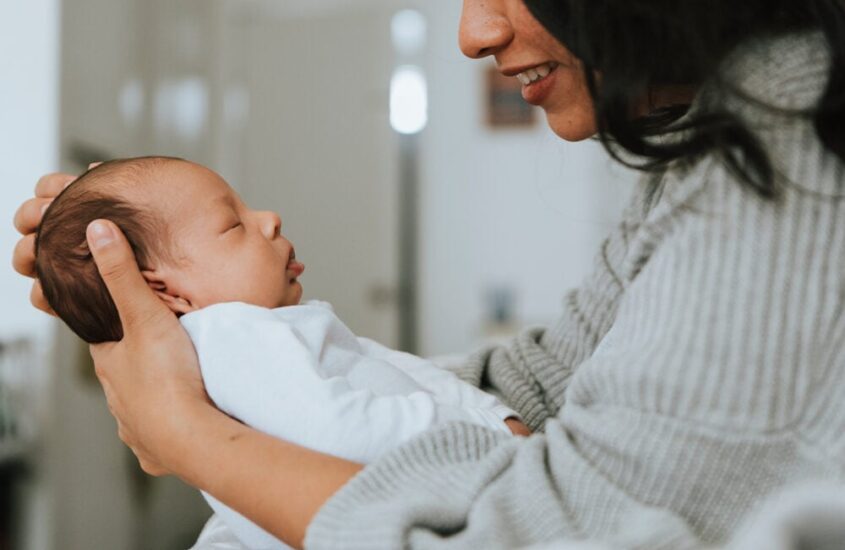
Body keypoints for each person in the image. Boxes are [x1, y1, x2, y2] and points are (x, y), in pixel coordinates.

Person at [12, 0, 845, 548]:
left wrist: (188, 433)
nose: (473, 32)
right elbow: (544, 384)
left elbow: (541, 531)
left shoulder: (791, 146)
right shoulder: (724, 130)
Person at [34, 156, 526, 548]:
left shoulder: (257, 333)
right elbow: (337, 433)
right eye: (233, 225)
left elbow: (385, 367)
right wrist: (487, 434)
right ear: (168, 293)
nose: (269, 219)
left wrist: (488, 411)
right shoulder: (229, 336)